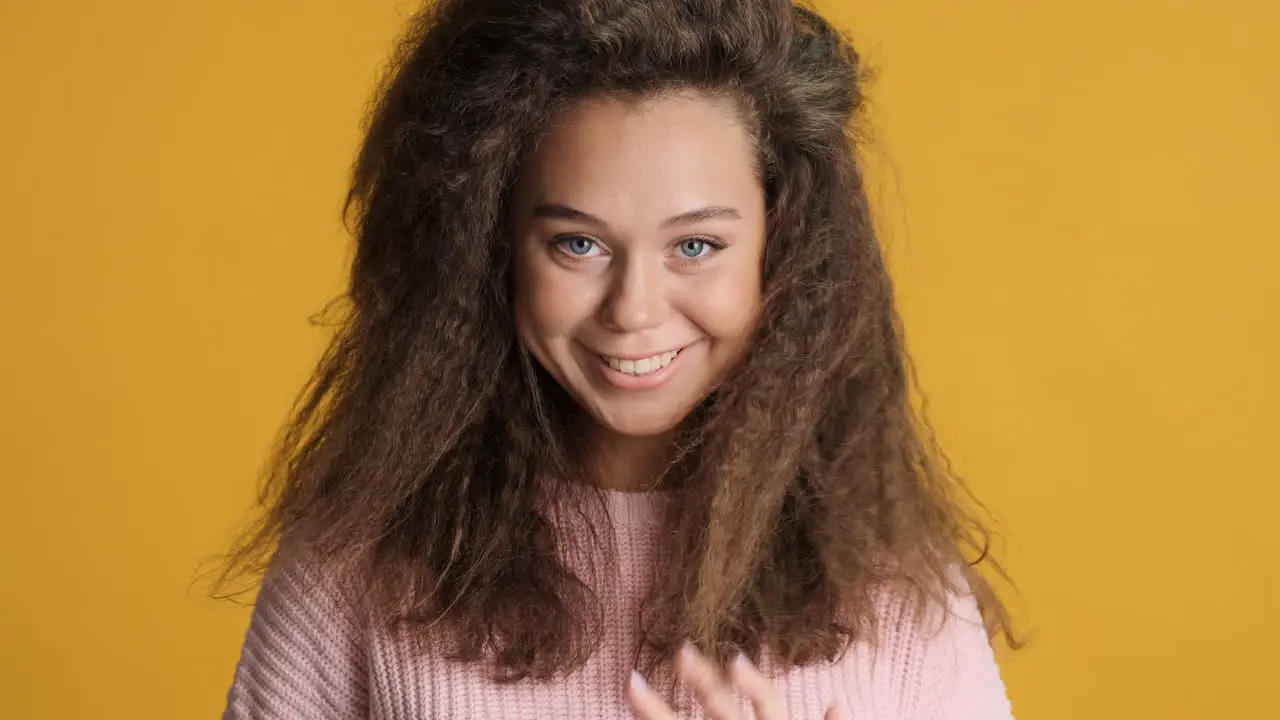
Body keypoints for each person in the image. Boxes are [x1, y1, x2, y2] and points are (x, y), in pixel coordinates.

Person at [218, 0, 1017, 717]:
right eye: (579, 243)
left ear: (788, 248)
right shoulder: (355, 565)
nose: (633, 309)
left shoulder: (895, 588)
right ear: (488, 248)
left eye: (696, 245)